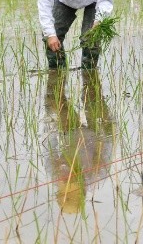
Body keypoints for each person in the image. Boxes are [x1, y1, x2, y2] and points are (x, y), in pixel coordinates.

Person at [43, 69, 115, 214]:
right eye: (70, 182)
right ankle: (90, 84)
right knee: (94, 100)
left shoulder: (55, 173)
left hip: (75, 133)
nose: (66, 179)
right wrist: (102, 123)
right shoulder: (97, 175)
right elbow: (109, 140)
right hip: (92, 132)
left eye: (66, 182)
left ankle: (83, 74)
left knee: (56, 101)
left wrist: (54, 122)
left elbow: (49, 143)